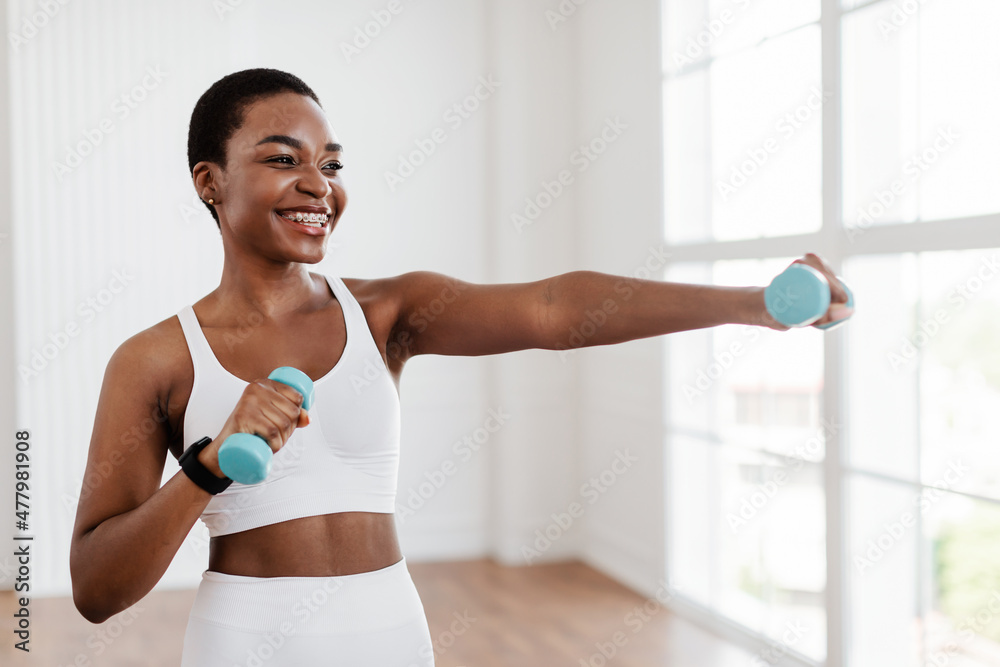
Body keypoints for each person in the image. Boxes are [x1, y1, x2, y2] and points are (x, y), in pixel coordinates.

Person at [68, 68, 853, 666]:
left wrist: (757, 303)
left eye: (332, 165)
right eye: (284, 159)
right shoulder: (155, 358)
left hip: (391, 629)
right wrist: (207, 467)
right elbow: (98, 589)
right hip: (248, 637)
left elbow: (553, 309)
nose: (318, 186)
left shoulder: (386, 312)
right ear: (210, 180)